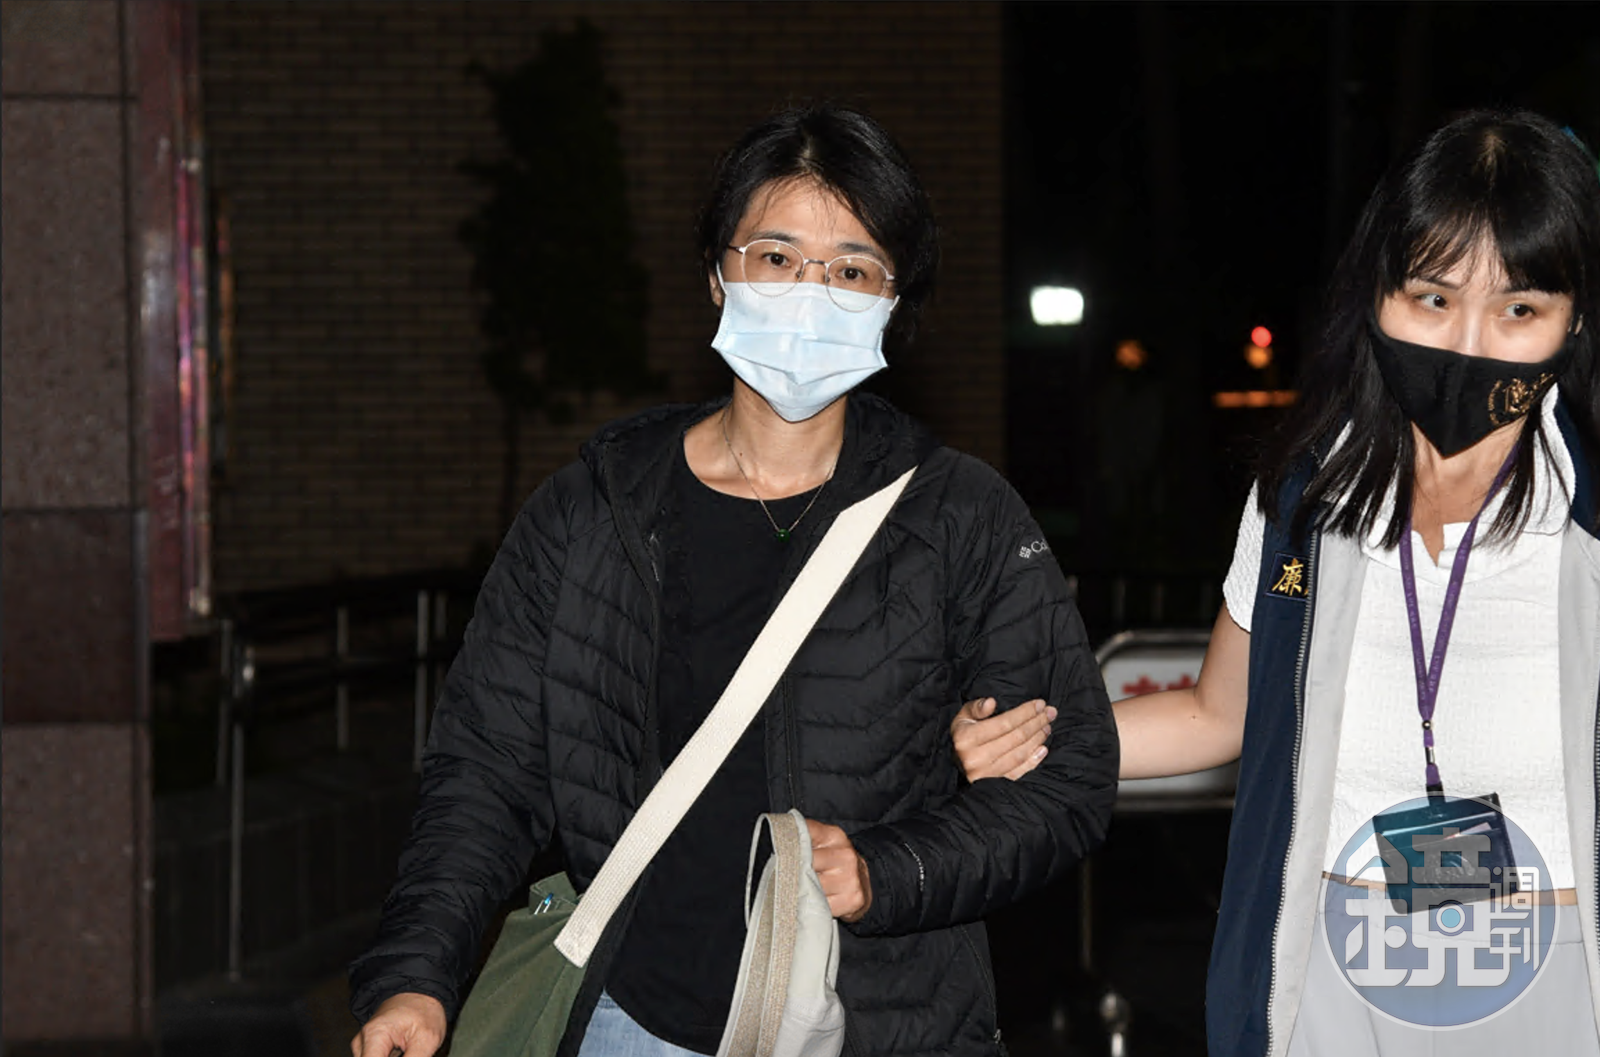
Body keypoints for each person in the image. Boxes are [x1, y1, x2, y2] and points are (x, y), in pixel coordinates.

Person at [348, 103, 1118, 1057]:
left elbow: (1071, 776)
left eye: (852, 269)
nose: (811, 293)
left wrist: (892, 870)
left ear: (892, 300)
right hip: (634, 1020)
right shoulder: (596, 508)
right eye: (777, 256)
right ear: (718, 274)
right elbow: (488, 766)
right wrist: (417, 971)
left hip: (882, 1025)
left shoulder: (961, 517)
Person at [955, 109, 1600, 1056]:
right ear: (1377, 292)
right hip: (1330, 965)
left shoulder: (1585, 523)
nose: (1468, 342)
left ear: (1574, 319)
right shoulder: (1307, 498)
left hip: (1556, 972)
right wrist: (1032, 737)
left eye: (1519, 310)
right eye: (1432, 297)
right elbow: (1217, 714)